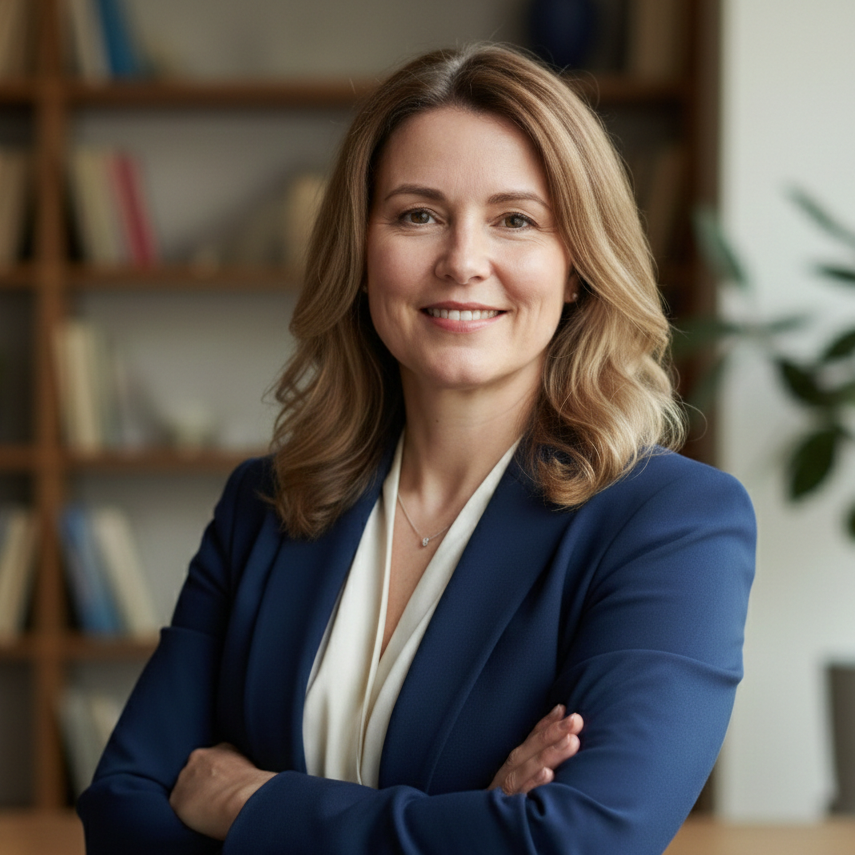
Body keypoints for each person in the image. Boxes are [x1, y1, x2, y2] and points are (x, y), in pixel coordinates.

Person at [77, 43, 755, 854]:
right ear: (363, 255)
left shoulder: (670, 523)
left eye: (515, 219)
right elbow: (124, 810)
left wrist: (250, 806)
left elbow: (579, 840)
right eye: (417, 214)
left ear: (575, 266)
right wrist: (470, 823)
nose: (463, 261)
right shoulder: (265, 504)